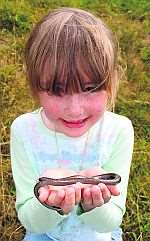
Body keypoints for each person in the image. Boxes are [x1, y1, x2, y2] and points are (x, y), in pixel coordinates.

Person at [10, 7, 134, 241]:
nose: (75, 110)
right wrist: (50, 204)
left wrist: (93, 205)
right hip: (44, 234)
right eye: (57, 91)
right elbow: (29, 219)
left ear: (111, 81)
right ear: (36, 88)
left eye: (90, 89)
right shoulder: (24, 130)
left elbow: (111, 220)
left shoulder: (119, 130)